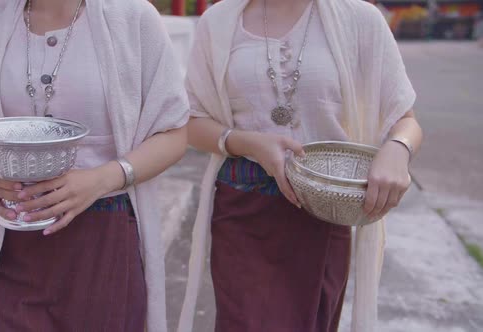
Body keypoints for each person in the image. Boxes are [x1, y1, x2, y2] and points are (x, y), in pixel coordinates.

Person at [178, 0, 423, 331]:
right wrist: (250, 142)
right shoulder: (219, 21)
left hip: (322, 213)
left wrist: (397, 148)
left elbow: (405, 120)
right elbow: (191, 123)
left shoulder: (358, 18)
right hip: (242, 212)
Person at [0, 0, 189, 331]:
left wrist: (101, 180)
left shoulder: (133, 18)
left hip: (105, 238)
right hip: (12, 240)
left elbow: (174, 134)